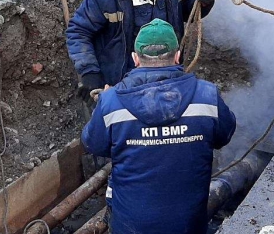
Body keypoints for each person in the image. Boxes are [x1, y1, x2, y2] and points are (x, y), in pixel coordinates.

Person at [82, 19, 236, 234]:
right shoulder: (207, 96)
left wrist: (104, 106)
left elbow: (93, 144)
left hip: (131, 224)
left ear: (135, 59)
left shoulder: (111, 102)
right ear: (177, 56)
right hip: (189, 222)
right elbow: (224, 135)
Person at [66, 0, 218, 95]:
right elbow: (79, 31)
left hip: (168, 74)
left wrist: (203, 3)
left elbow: (187, 12)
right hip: (120, 80)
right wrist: (90, 72)